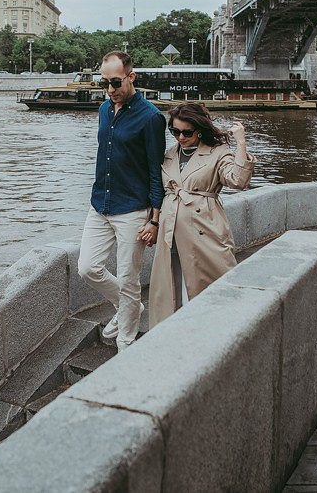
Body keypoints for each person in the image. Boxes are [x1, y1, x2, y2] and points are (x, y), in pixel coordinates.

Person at [78, 51, 166, 351]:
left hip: (132, 209)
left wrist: (155, 220)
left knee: (130, 280)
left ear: (132, 77)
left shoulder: (151, 117)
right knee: (88, 268)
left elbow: (156, 172)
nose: (110, 90)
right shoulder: (104, 109)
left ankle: (126, 344)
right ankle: (129, 307)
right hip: (100, 203)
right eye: (104, 83)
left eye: (116, 83)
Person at [144, 102, 255, 328]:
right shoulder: (169, 155)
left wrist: (241, 143)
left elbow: (238, 180)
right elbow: (158, 188)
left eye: (186, 132)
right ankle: (173, 331)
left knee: (210, 283)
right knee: (171, 285)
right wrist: (153, 222)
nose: (180, 137)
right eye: (175, 131)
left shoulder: (217, 152)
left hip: (204, 228)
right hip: (170, 229)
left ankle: (218, 330)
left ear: (200, 130)